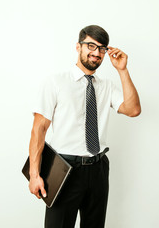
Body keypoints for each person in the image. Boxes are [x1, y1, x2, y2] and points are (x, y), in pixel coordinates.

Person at [28, 25, 141, 228]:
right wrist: (35, 175)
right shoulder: (55, 82)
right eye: (91, 46)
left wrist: (122, 70)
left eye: (102, 49)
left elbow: (133, 110)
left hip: (98, 169)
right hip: (64, 170)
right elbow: (39, 129)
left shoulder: (106, 86)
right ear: (78, 47)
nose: (96, 53)